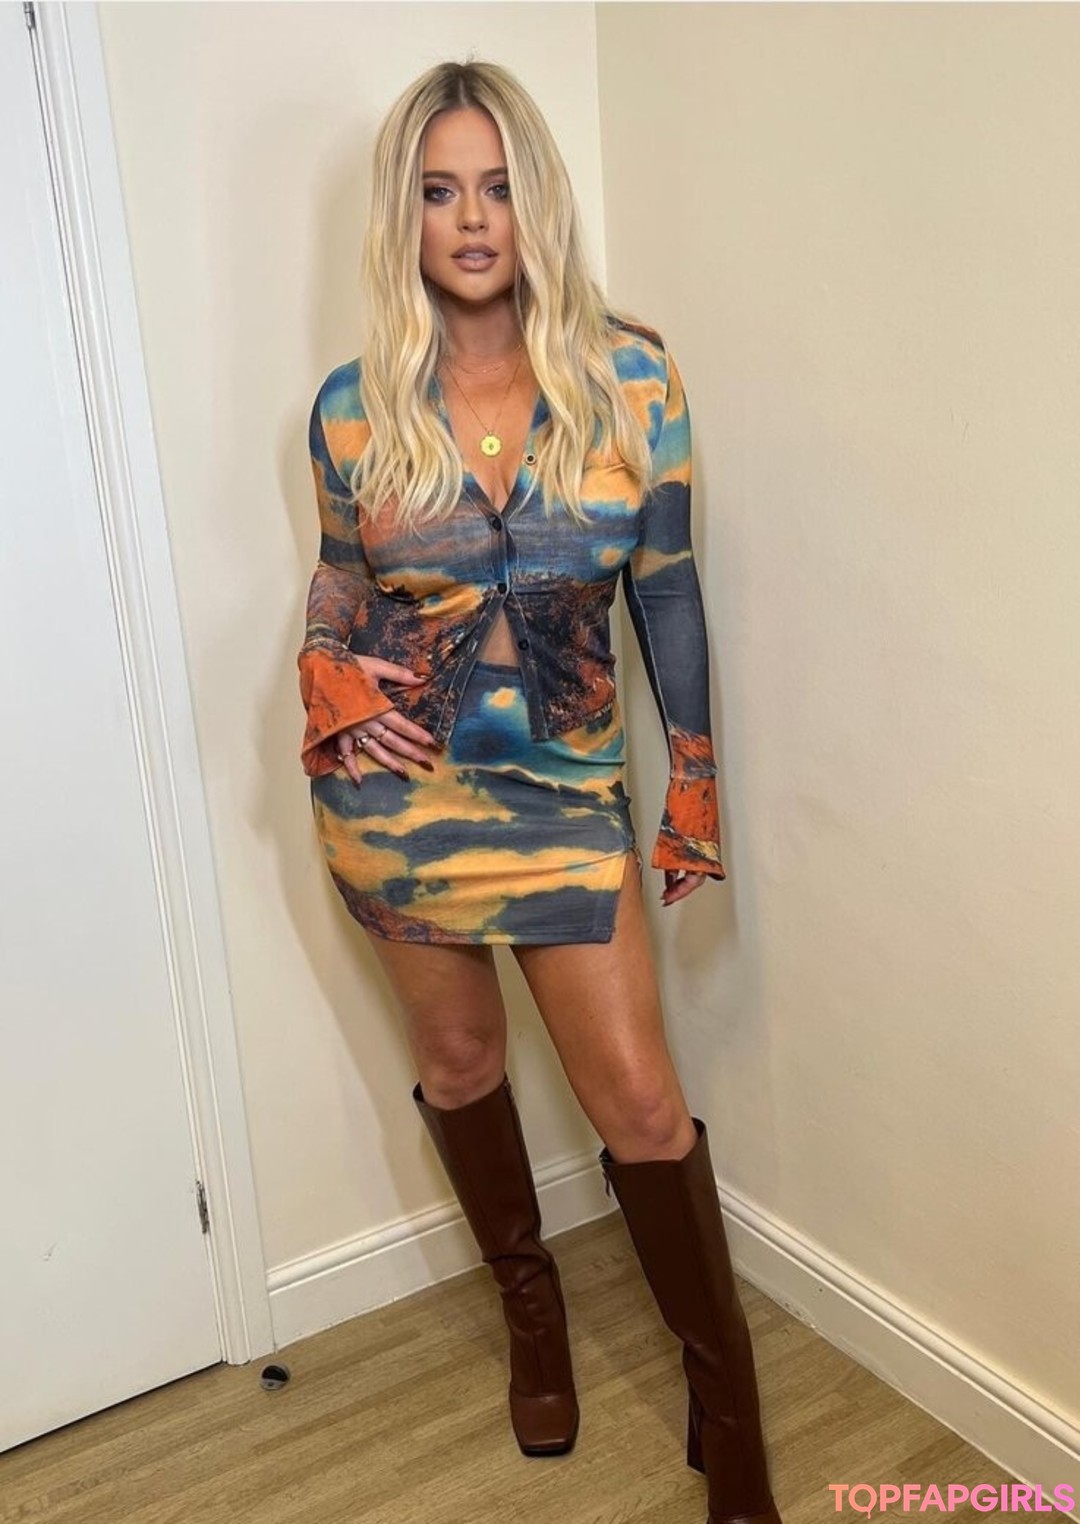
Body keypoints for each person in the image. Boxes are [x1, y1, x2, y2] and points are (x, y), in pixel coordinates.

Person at [296, 59, 782, 1524]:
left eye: (498, 187)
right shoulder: (351, 409)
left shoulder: (635, 379)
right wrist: (326, 677)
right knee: (460, 1067)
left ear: (537, 205)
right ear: (404, 216)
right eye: (440, 190)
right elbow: (338, 580)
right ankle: (532, 1315)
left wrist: (693, 783)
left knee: (640, 1103)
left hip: (568, 797)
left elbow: (670, 593)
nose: (472, 219)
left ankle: (730, 1414)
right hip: (398, 812)